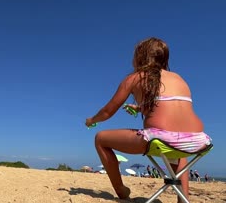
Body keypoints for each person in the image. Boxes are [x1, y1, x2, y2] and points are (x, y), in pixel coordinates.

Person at [85, 37, 212, 200]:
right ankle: (183, 199)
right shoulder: (179, 78)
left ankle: (121, 190)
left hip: (160, 139)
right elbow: (169, 109)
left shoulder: (134, 77)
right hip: (198, 140)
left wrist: (92, 120)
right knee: (179, 150)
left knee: (100, 139)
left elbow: (107, 111)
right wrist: (139, 108)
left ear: (140, 57)